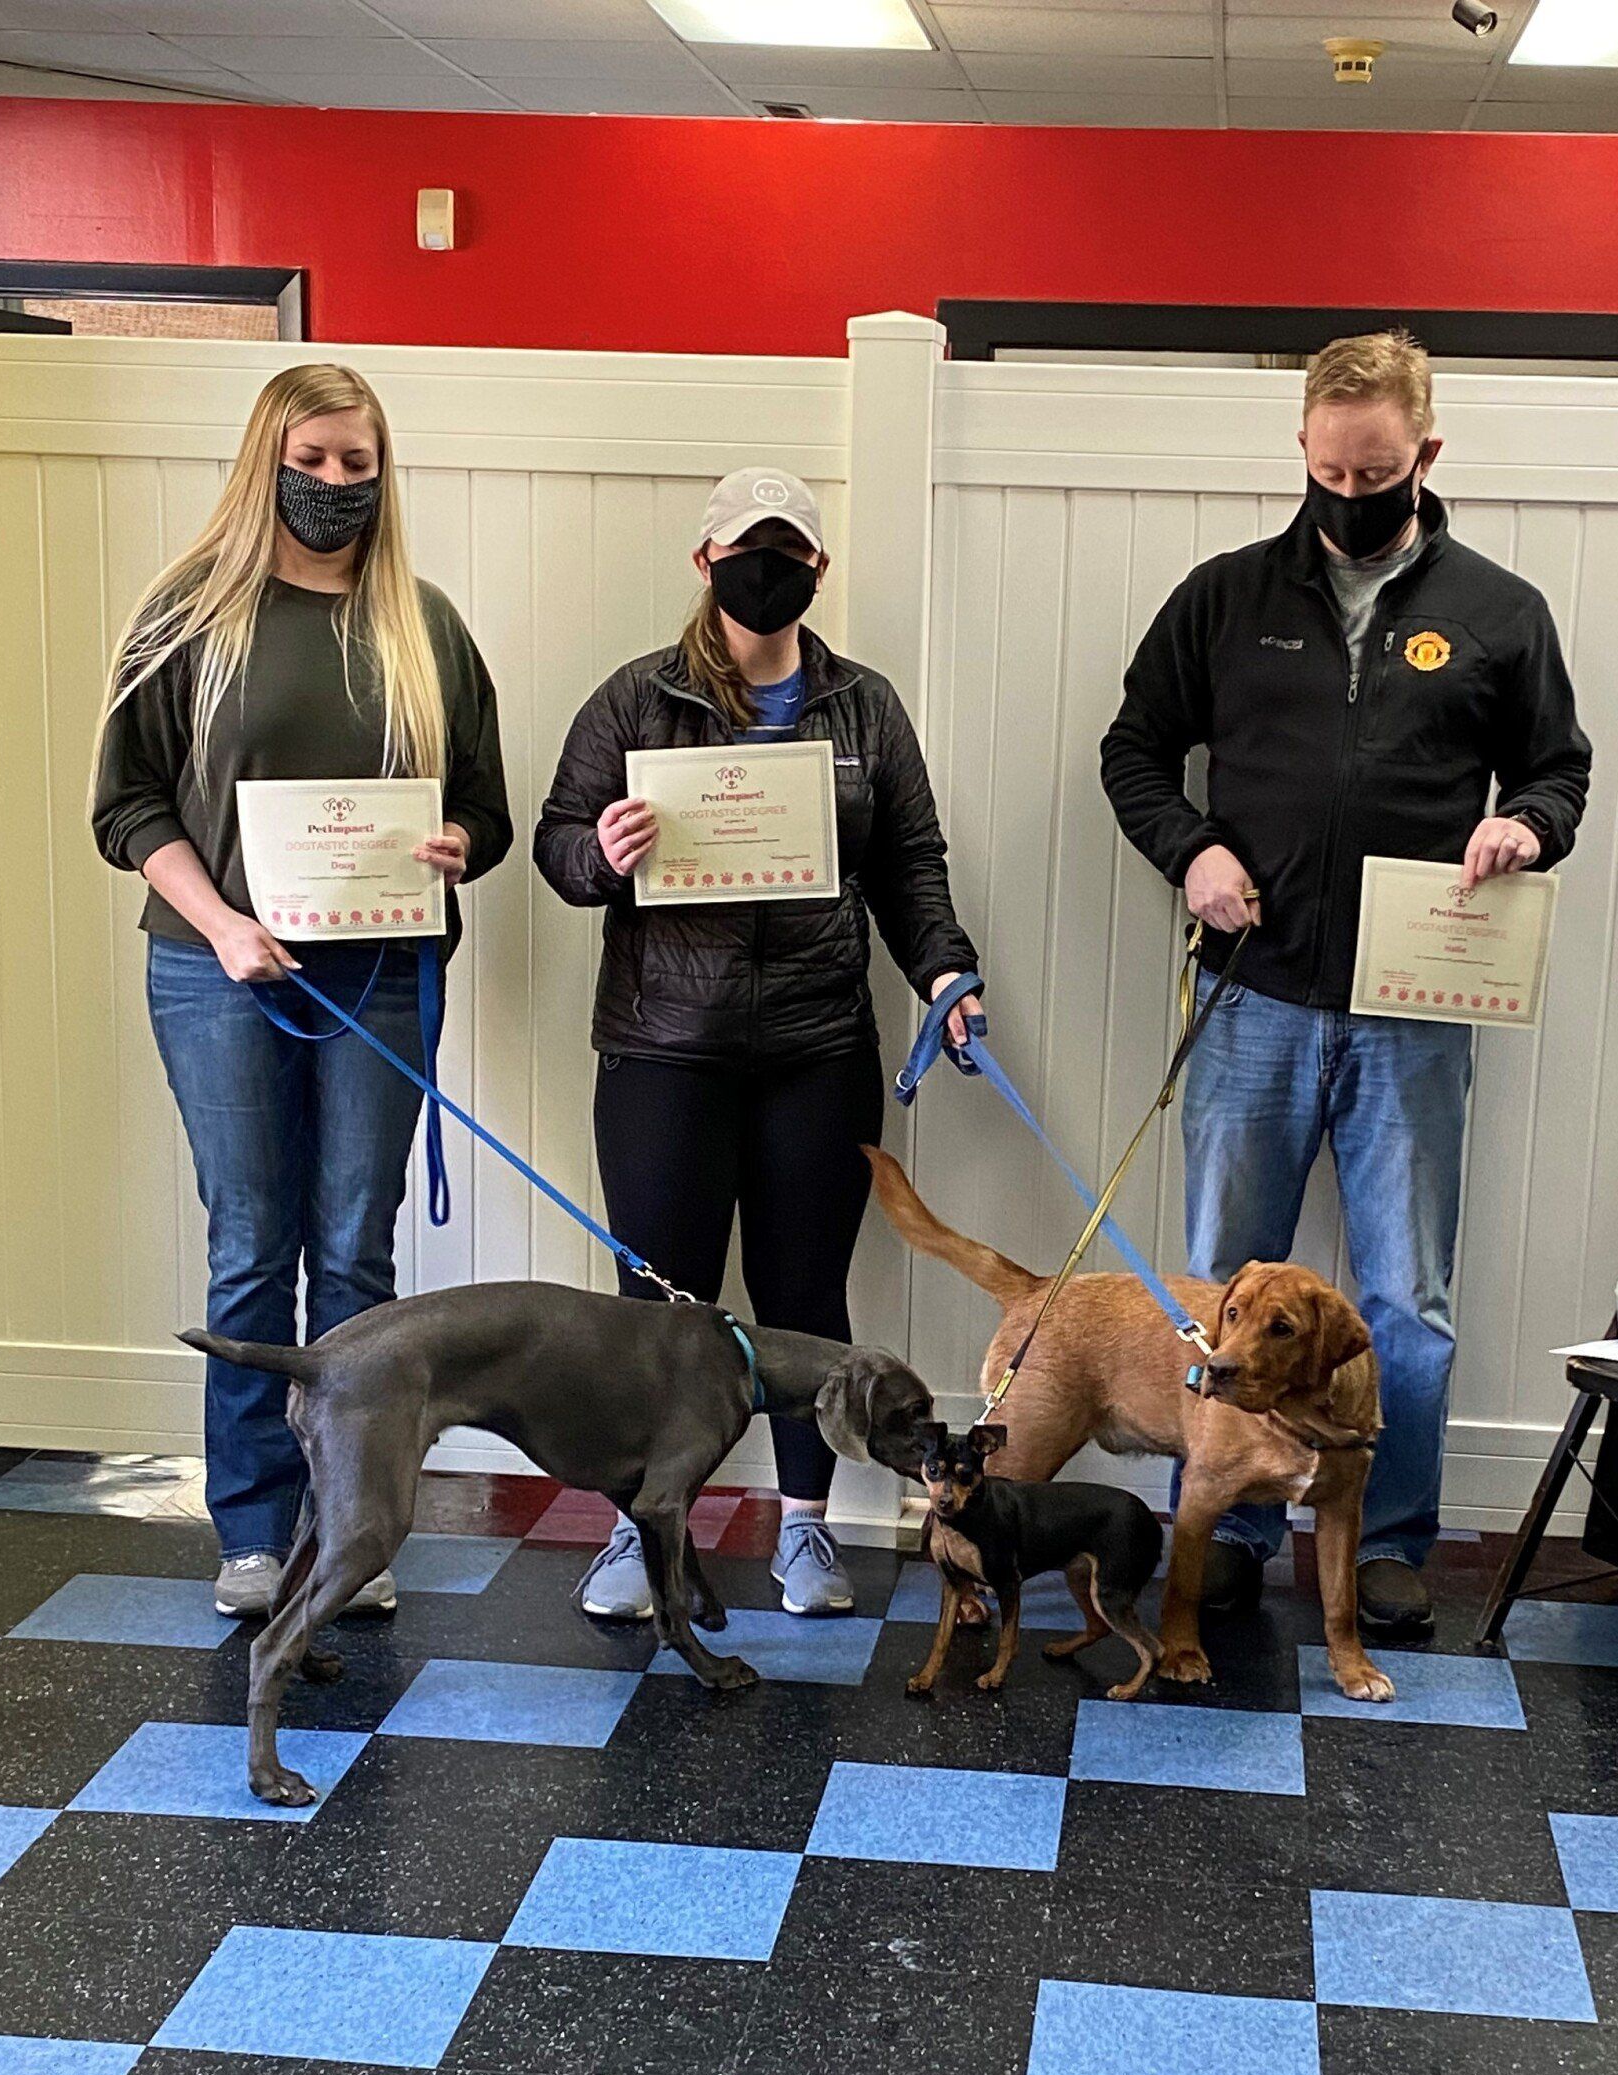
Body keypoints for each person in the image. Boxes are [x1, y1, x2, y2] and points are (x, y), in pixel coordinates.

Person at [1101, 331, 1590, 1635]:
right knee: (1224, 1288)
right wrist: (1191, 848)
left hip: (1418, 1012)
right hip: (1251, 998)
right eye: (1330, 467)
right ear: (1304, 452)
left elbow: (1559, 770)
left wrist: (1527, 829)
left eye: (1376, 470)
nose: (1351, 491)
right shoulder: (1224, 596)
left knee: (1403, 1303)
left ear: (1425, 457)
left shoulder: (1500, 613)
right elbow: (1135, 752)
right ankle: (1235, 1513)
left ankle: (1385, 1534)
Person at [91, 361, 513, 1618]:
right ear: (267, 460)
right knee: (248, 1247)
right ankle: (251, 1533)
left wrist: (459, 848)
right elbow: (125, 803)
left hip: (380, 970)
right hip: (218, 971)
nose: (337, 484)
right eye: (315, 460)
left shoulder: (423, 626)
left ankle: (348, 1532)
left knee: (353, 1251)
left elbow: (484, 803)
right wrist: (219, 924)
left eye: (358, 463)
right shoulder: (186, 616)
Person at [535, 466, 982, 1618]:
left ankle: (805, 1533)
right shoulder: (635, 697)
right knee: (654, 1310)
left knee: (801, 1300)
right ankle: (640, 1537)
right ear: (705, 561)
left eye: (789, 550)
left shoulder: (865, 706)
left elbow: (909, 864)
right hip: (661, 1050)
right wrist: (605, 854)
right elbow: (556, 846)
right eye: (747, 548)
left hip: (817, 1049)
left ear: (817, 571)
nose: (766, 568)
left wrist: (945, 971)